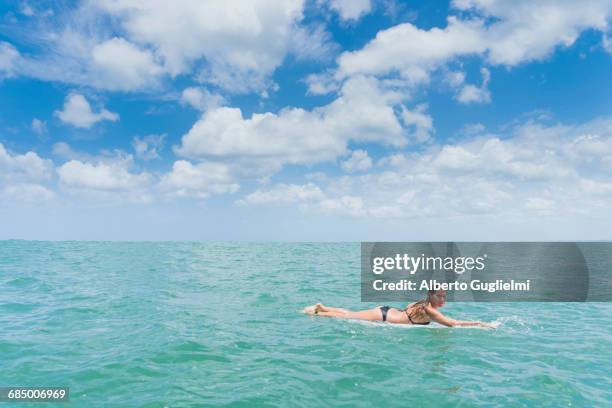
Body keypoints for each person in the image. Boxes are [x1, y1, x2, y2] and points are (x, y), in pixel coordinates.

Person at [303, 289, 496, 328]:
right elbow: (452, 324)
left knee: (350, 313)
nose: (444, 299)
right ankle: (318, 312)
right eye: (440, 296)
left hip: (387, 310)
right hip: (383, 316)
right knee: (345, 317)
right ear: (432, 296)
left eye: (445, 296)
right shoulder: (430, 311)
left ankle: (323, 307)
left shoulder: (421, 303)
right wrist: (478, 323)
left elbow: (407, 309)